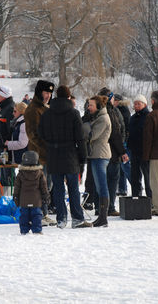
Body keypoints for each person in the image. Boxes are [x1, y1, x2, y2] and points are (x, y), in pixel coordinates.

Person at [38, 85, 91, 229]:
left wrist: (50, 143)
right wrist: (82, 158)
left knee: (58, 189)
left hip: (53, 155)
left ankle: (61, 219)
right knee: (73, 188)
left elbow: (41, 133)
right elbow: (80, 138)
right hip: (70, 155)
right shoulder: (74, 113)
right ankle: (77, 218)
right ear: (69, 97)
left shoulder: (47, 114)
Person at [24, 80, 56, 225]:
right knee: (39, 186)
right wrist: (47, 146)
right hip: (38, 155)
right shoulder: (33, 109)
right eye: (45, 92)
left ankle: (44, 213)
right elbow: (32, 134)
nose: (48, 95)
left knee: (46, 186)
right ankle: (39, 215)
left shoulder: (46, 107)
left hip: (48, 155)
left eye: (50, 93)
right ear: (39, 92)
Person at [97, 87, 128, 216]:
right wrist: (122, 151)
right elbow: (116, 133)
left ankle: (100, 206)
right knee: (112, 179)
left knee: (100, 180)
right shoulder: (112, 112)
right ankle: (109, 207)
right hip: (112, 152)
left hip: (98, 152)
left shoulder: (95, 110)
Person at [84, 95, 112, 227]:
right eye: (88, 105)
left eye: (91, 105)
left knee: (102, 186)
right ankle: (101, 216)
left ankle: (103, 217)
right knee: (99, 186)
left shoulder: (103, 119)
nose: (88, 107)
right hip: (95, 155)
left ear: (99, 107)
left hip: (100, 155)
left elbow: (91, 136)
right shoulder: (97, 117)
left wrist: (85, 125)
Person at [13, 151, 49, 235]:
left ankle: (24, 230)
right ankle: (37, 230)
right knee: (36, 215)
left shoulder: (20, 174)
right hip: (36, 200)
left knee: (24, 216)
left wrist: (16, 197)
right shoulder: (40, 173)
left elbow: (17, 187)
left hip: (24, 200)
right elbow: (44, 187)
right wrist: (46, 196)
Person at [128, 94, 151, 198]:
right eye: (135, 104)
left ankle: (151, 199)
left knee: (148, 177)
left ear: (144, 104)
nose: (136, 105)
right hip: (134, 151)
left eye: (139, 104)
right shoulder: (132, 118)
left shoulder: (148, 116)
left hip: (145, 152)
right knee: (135, 177)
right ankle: (136, 197)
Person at [113, 94, 131, 197]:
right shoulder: (123, 110)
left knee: (125, 165)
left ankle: (134, 184)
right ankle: (122, 188)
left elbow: (123, 128)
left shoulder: (121, 111)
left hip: (123, 141)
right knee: (122, 166)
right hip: (123, 140)